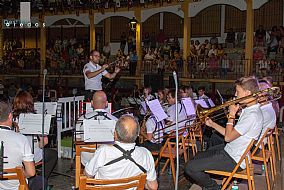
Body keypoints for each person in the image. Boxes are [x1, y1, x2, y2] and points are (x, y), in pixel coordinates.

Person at [184, 76, 263, 190]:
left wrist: (231, 116)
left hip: (235, 159)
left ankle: (214, 187)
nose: (236, 94)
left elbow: (228, 137)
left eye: (238, 91)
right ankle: (205, 182)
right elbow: (231, 133)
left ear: (247, 93)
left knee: (190, 168)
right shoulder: (249, 110)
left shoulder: (252, 115)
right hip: (230, 150)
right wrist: (212, 124)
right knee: (198, 156)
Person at [84, 115, 158, 190]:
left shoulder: (103, 151)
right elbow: (153, 187)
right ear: (137, 135)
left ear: (115, 133)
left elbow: (88, 175)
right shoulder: (145, 154)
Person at [13, 91, 58, 184]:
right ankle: (41, 180)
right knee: (53, 154)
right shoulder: (36, 118)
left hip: (15, 156)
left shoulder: (11, 118)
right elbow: (44, 143)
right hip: (31, 156)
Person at [0, 99, 39, 190]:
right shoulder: (21, 139)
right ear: (10, 116)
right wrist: (20, 174)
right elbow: (31, 173)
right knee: (41, 181)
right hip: (15, 186)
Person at [76, 91, 118, 165]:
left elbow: (77, 140)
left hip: (87, 159)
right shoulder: (115, 120)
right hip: (108, 158)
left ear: (92, 103)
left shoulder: (81, 119)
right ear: (106, 103)